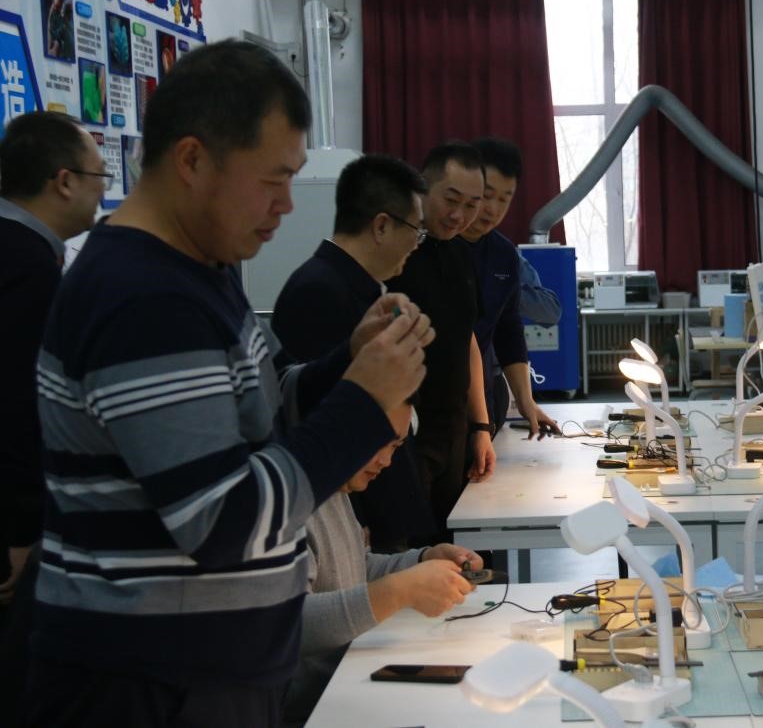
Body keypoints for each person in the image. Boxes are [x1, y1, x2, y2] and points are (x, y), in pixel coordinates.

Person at [25, 39, 434, 727]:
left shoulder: (196, 272)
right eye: (273, 179)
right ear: (192, 160)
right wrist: (363, 402)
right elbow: (222, 520)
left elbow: (257, 418)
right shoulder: (144, 298)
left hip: (200, 677)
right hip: (150, 687)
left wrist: (347, 363)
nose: (286, 205)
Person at [0, 112, 107, 718]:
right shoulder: (27, 265)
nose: (103, 190)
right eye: (99, 176)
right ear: (64, 181)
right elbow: (19, 406)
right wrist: (21, 533)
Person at [272, 153, 433, 552]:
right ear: (381, 225)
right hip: (357, 511)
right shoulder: (318, 290)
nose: (418, 244)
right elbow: (318, 414)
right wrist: (353, 517)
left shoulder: (358, 286)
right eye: (416, 230)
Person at [284, 404, 479, 724]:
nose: (387, 461)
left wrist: (422, 559)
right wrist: (400, 590)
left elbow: (353, 569)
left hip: (351, 679)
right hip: (315, 708)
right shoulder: (289, 505)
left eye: (396, 447)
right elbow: (291, 625)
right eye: (381, 444)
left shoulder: (334, 489)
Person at [387, 141, 495, 542]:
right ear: (422, 188)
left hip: (454, 431)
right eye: (451, 200)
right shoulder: (396, 255)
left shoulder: (460, 255)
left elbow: (467, 342)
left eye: (471, 205)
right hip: (407, 435)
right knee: (411, 547)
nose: (459, 215)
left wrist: (480, 426)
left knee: (457, 546)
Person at [463, 136, 559, 437]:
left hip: (486, 389)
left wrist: (525, 400)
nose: (493, 209)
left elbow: (508, 328)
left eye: (504, 199)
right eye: (486, 195)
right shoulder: (436, 245)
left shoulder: (504, 253)